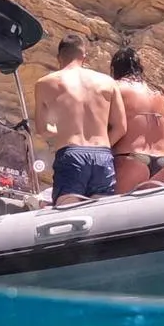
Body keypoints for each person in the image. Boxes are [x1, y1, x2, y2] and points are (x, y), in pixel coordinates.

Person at [32, 34, 126, 205]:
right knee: (101, 217)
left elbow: (42, 129)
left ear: (59, 58)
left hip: (71, 154)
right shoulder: (108, 82)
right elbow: (120, 127)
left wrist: (62, 129)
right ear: (84, 56)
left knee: (68, 218)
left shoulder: (45, 83)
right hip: (102, 156)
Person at [109, 46, 164, 194]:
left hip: (130, 158)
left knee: (120, 212)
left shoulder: (116, 88)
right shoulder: (160, 93)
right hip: (162, 162)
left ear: (115, 68)